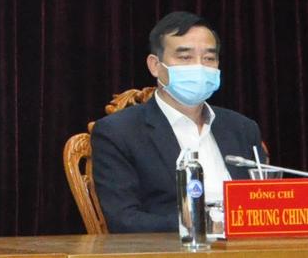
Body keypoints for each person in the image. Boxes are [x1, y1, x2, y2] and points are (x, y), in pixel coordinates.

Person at [90, 12, 263, 233]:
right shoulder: (119, 132)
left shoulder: (242, 128)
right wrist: (208, 225)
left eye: (209, 58)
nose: (199, 67)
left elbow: (264, 204)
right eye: (185, 57)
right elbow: (124, 220)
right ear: (155, 65)